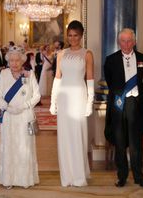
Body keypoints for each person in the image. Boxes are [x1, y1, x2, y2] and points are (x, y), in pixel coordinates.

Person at [50, 20, 94, 187]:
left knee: (78, 136)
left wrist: (90, 102)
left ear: (81, 35)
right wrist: (53, 101)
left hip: (79, 97)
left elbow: (90, 78)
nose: (73, 38)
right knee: (65, 136)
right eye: (70, 35)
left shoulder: (87, 53)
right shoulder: (61, 54)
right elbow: (57, 78)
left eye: (76, 35)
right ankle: (67, 175)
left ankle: (79, 175)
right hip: (64, 98)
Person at [104, 28, 143, 188]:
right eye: (123, 40)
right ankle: (122, 176)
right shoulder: (110, 60)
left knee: (136, 143)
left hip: (136, 105)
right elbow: (110, 83)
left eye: (129, 40)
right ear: (119, 42)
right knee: (120, 142)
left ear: (134, 41)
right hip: (118, 105)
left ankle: (139, 176)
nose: (126, 44)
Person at [0, 49, 41, 189]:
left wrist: (23, 106)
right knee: (9, 147)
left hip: (25, 115)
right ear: (8, 61)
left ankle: (25, 179)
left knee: (24, 147)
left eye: (17, 60)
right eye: (11, 61)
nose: (14, 63)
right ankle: (8, 179)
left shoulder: (29, 74)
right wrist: (6, 107)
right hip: (8, 116)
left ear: (22, 61)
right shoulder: (3, 74)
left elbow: (37, 96)